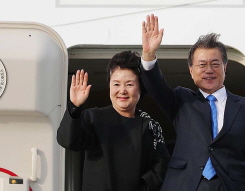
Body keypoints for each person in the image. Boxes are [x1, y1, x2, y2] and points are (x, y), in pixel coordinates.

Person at [139, 14, 245, 191]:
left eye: (215, 64)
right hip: (186, 185)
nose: (209, 70)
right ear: (191, 71)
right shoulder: (181, 100)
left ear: (225, 67)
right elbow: (155, 86)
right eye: (202, 65)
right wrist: (148, 54)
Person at [57, 50, 170, 191]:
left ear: (141, 87)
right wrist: (74, 106)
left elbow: (162, 166)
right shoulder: (93, 118)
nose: (122, 90)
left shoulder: (151, 126)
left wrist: (143, 186)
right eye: (116, 84)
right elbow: (67, 140)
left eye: (129, 84)